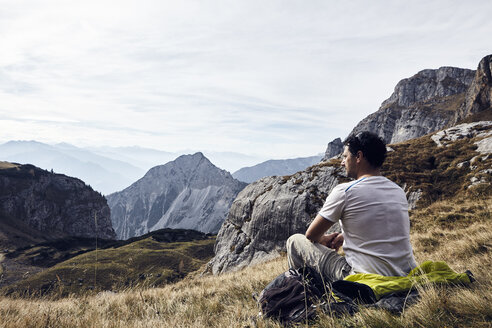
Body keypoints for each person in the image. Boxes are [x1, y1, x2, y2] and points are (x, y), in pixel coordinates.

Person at [286, 131, 417, 284]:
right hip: (403, 276)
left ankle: (306, 296)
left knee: (295, 241)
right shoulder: (398, 191)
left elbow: (311, 235)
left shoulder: (345, 191)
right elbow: (382, 225)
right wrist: (345, 236)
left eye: (345, 156)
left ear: (358, 157)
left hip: (362, 280)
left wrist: (324, 239)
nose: (342, 162)